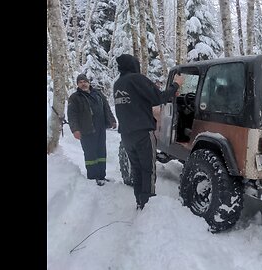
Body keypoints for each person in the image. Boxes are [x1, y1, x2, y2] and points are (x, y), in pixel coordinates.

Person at [113, 54, 184, 210]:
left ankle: (140, 201)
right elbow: (159, 97)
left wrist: (170, 94)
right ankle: (148, 206)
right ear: (134, 65)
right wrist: (176, 85)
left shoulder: (118, 84)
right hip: (143, 134)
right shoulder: (137, 79)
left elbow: (138, 102)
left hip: (126, 135)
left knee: (137, 169)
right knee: (148, 170)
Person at [67, 74, 117, 186]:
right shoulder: (74, 98)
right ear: (77, 85)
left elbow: (106, 107)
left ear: (89, 82)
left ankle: (101, 176)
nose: (83, 83)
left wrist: (112, 120)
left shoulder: (98, 94)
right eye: (80, 82)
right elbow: (72, 115)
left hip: (100, 128)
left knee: (101, 153)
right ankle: (93, 177)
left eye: (85, 81)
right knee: (91, 154)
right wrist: (75, 129)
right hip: (86, 130)